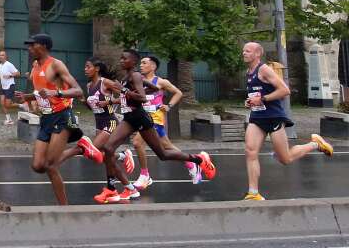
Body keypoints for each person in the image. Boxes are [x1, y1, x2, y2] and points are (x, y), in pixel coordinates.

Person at [100, 49, 216, 203]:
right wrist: (126, 93)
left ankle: (198, 159)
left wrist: (125, 90)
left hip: (140, 118)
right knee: (108, 148)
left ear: (132, 62)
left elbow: (141, 98)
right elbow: (153, 89)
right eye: (120, 58)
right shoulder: (131, 77)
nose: (121, 61)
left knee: (163, 154)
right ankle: (111, 189)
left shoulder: (134, 76)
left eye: (124, 59)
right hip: (129, 118)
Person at [241, 42, 333, 200]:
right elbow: (256, 95)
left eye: (248, 51)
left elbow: (285, 90)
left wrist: (263, 98)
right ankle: (253, 193)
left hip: (273, 117)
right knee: (250, 151)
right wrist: (249, 102)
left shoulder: (264, 69)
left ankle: (315, 144)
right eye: (243, 51)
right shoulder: (248, 72)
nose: (244, 53)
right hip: (257, 117)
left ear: (257, 54)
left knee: (286, 158)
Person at [15, 33, 94, 206]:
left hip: (62, 116)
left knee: (51, 166)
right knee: (37, 166)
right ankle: (79, 149)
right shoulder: (35, 66)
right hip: (46, 118)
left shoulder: (56, 65)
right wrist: (27, 97)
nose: (29, 49)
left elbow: (78, 91)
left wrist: (56, 92)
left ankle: (64, 208)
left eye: (32, 45)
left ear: (42, 46)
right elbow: (41, 93)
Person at [57, 57, 131, 204]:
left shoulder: (106, 82)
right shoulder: (90, 85)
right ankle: (129, 184)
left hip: (111, 122)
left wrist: (109, 101)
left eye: (88, 66)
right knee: (105, 159)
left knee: (89, 149)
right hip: (99, 124)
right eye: (85, 67)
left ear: (96, 68)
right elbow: (93, 108)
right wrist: (84, 101)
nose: (85, 69)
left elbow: (127, 96)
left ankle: (60, 158)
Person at [135, 55, 201, 185]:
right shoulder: (139, 81)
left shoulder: (161, 82)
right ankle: (191, 163)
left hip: (155, 118)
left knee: (137, 142)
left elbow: (178, 93)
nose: (141, 65)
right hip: (142, 117)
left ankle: (145, 174)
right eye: (140, 63)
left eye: (144, 63)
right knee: (167, 146)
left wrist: (169, 106)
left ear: (153, 66)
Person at [0, 50, 22, 126]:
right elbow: (1, 73)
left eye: (2, 55)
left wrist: (10, 76)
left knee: (8, 105)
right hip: (3, 87)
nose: (1, 56)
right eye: (0, 55)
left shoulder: (9, 64)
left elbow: (18, 73)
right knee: (2, 103)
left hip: (10, 86)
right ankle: (9, 119)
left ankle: (21, 105)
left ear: (6, 57)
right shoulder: (0, 65)